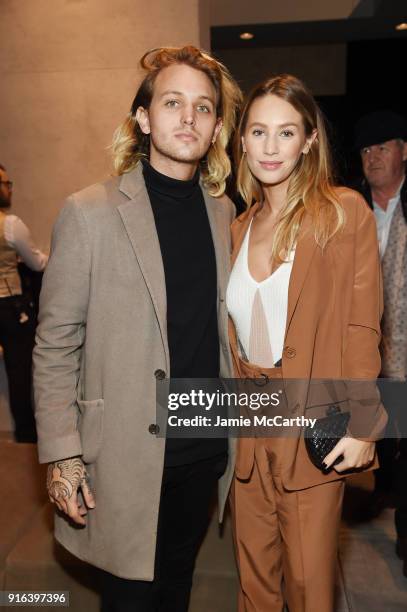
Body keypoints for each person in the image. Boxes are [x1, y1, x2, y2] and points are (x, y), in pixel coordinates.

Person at [33, 46, 241, 611]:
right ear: (145, 118)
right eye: (173, 103)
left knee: (176, 587)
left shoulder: (225, 213)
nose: (188, 118)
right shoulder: (90, 212)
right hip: (123, 454)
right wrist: (61, 455)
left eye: (203, 108)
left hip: (202, 447)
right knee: (128, 599)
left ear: (217, 127)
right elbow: (56, 342)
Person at [226, 75, 388, 611]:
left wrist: (365, 425)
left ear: (309, 140)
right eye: (258, 132)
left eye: (286, 132)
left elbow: (363, 327)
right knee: (254, 587)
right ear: (241, 140)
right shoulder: (237, 226)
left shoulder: (342, 214)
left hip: (313, 423)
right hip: (248, 426)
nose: (271, 148)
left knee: (309, 589)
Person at [353, 110, 407, 577]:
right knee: (379, 445)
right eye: (366, 150)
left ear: (404, 150)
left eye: (383, 147)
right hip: (367, 359)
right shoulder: (351, 214)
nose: (373, 157)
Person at [0, 163, 47, 442]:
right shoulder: (10, 225)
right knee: (19, 371)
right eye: (5, 183)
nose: (9, 188)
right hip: (10, 305)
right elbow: (36, 262)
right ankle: (25, 434)